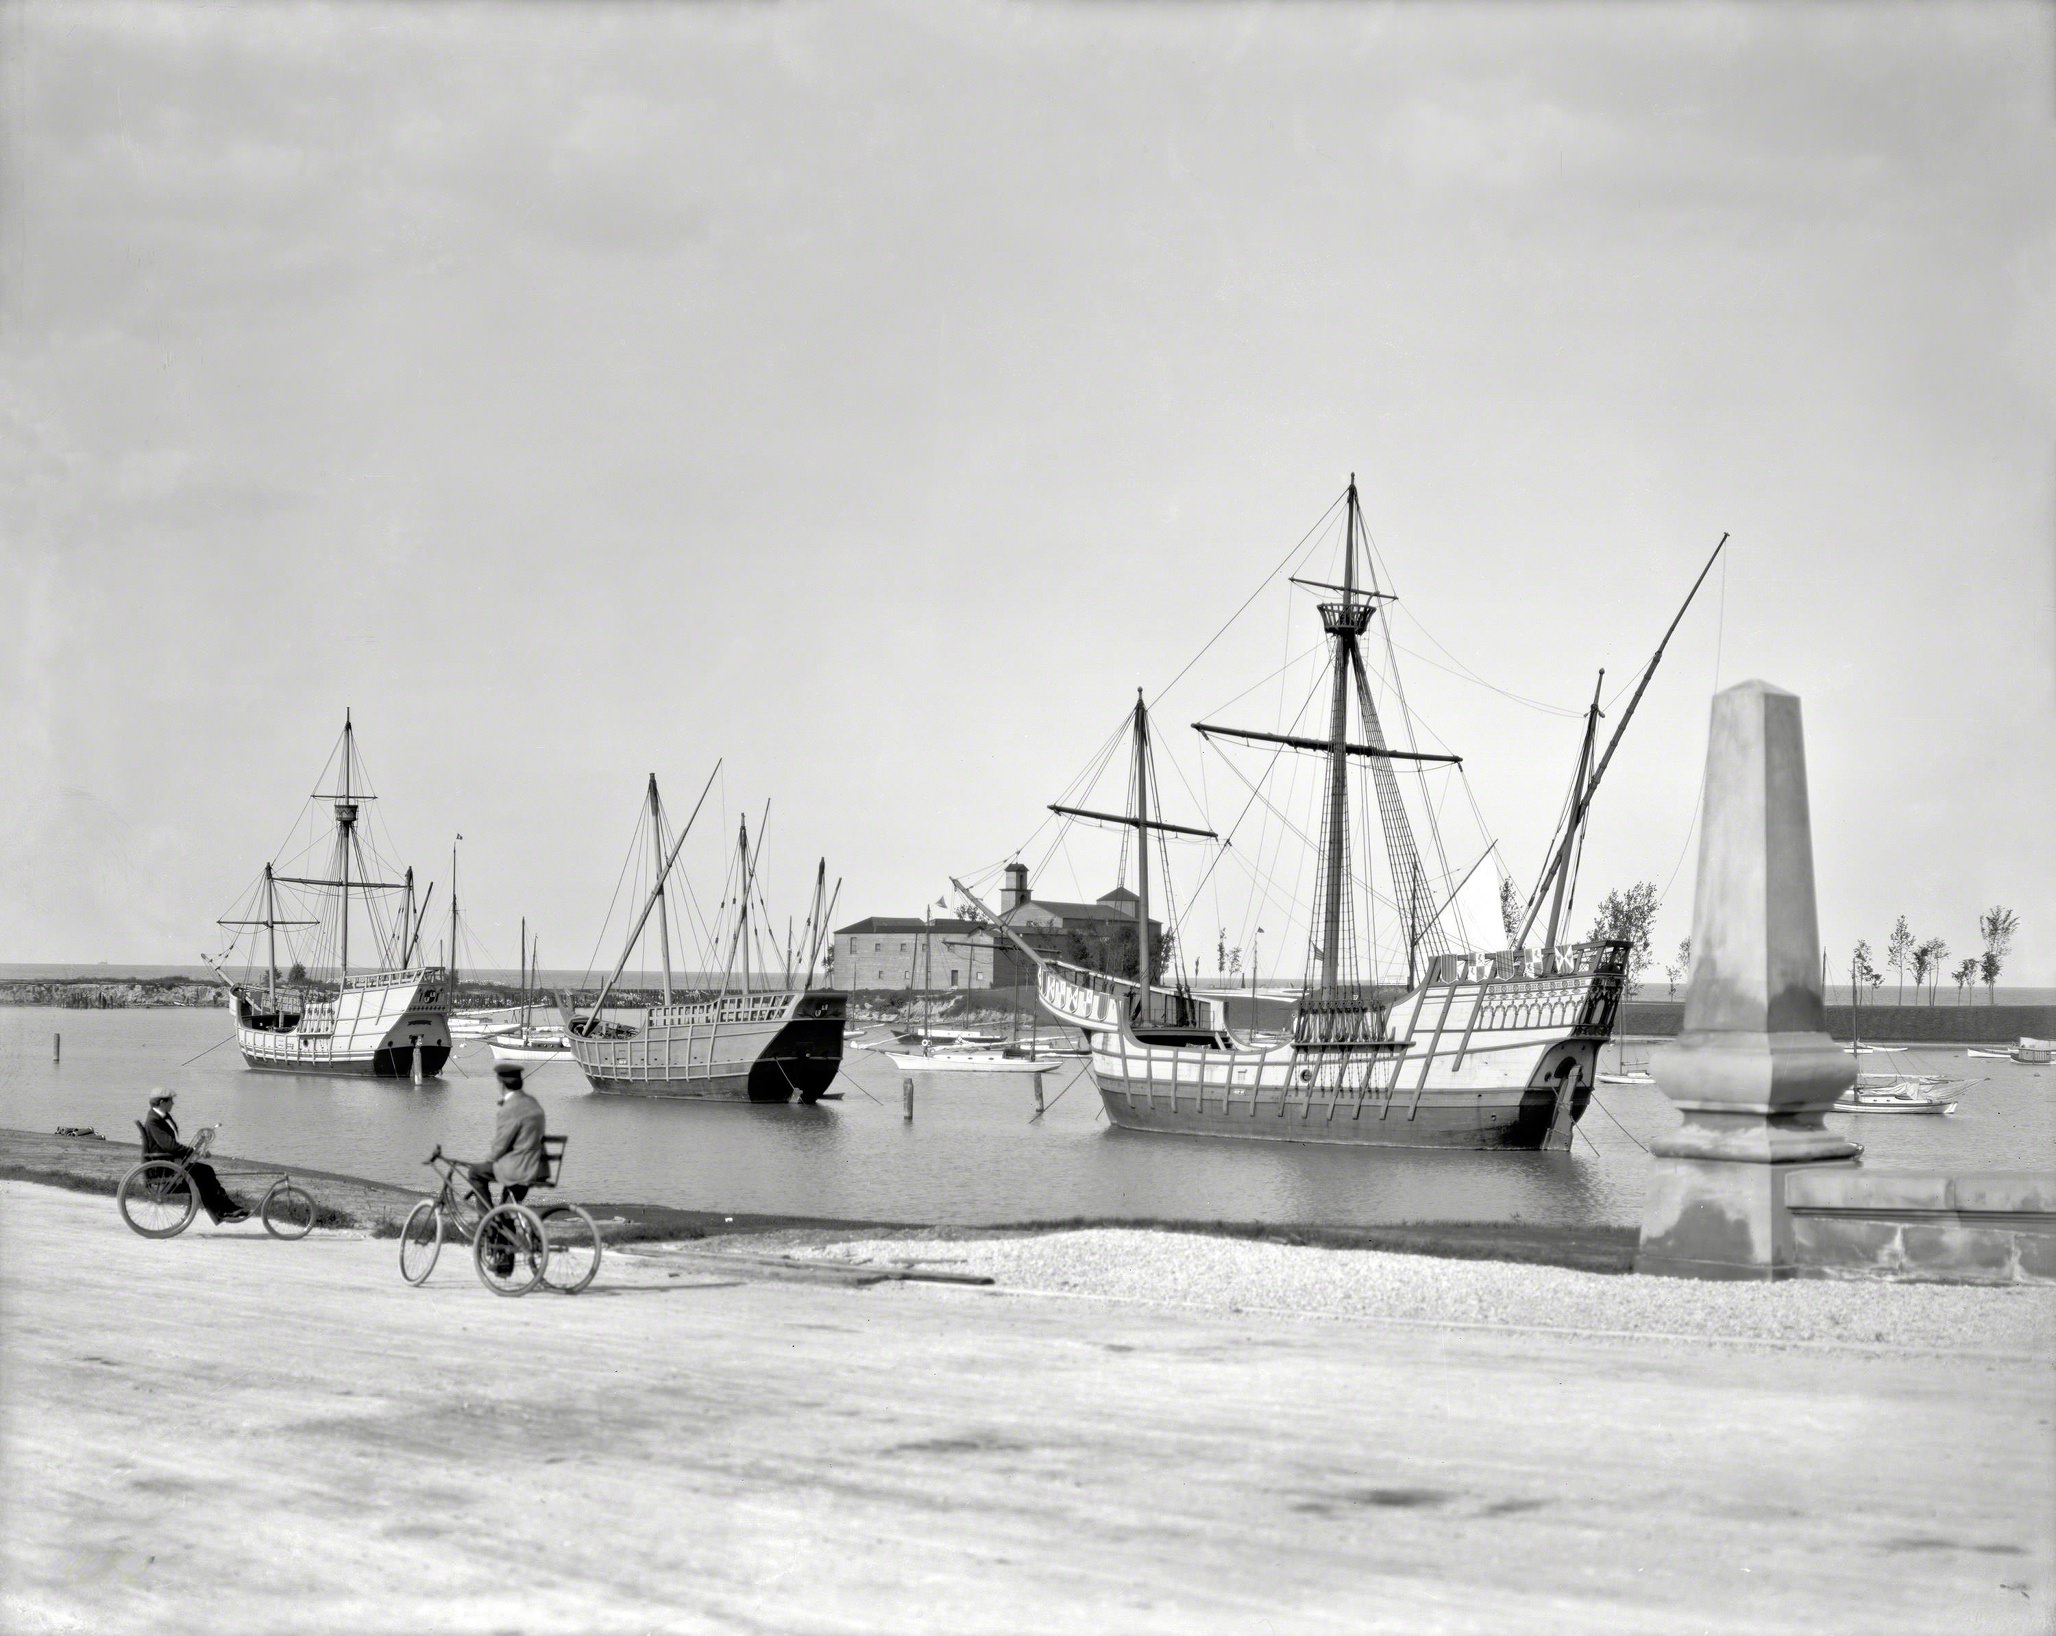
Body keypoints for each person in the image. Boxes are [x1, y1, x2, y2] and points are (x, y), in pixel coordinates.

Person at [140, 1089, 248, 1225]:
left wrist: (193, 1151)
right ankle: (223, 1211)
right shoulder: (154, 1121)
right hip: (163, 1168)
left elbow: (170, 1146)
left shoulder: (158, 1117)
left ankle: (226, 1210)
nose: (173, 1103)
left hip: (166, 1162)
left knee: (206, 1171)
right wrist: (194, 1152)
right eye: (170, 1100)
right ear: (162, 1102)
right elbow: (170, 1146)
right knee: (204, 1173)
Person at [460, 1064, 547, 1211]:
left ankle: (486, 1220)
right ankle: (500, 1224)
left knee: (475, 1172)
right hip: (537, 1166)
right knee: (505, 1214)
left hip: (517, 1168)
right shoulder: (532, 1102)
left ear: (501, 1085)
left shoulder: (510, 1108)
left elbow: (500, 1145)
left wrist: (489, 1159)